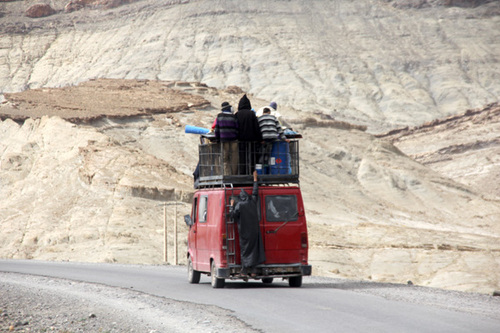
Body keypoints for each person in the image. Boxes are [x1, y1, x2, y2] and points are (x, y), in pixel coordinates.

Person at [229, 171, 265, 277]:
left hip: (244, 233)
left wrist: (231, 205)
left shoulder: (239, 205)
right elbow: (255, 192)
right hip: (254, 232)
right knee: (254, 250)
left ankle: (244, 271)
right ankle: (253, 271)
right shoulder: (253, 202)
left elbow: (232, 216)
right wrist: (255, 180)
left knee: (245, 251)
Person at [235, 94, 262, 175]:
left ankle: (242, 173)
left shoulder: (237, 114)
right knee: (251, 157)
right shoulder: (251, 114)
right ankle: (251, 172)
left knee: (242, 157)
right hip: (252, 141)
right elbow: (256, 128)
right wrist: (260, 139)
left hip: (240, 141)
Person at [258, 107, 289, 172]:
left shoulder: (259, 119)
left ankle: (263, 166)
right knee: (270, 152)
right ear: (269, 112)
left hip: (264, 137)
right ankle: (268, 165)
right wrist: (284, 138)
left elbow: (258, 130)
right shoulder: (273, 118)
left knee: (263, 152)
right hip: (273, 137)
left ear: (263, 112)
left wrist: (260, 139)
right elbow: (279, 129)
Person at [214, 101, 239, 175]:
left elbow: (217, 129)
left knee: (225, 158)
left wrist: (218, 139)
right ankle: (233, 174)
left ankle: (227, 174)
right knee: (234, 158)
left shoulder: (219, 116)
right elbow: (237, 129)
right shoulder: (234, 117)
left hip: (224, 140)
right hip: (234, 140)